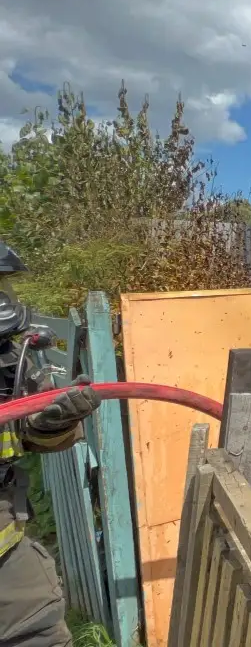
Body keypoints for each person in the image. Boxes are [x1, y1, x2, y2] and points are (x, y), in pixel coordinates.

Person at [0, 240, 102, 647]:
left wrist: (50, 424)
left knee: (41, 635)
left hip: (7, 569)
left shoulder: (10, 363)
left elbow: (32, 437)